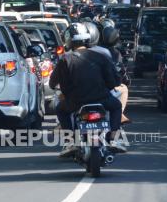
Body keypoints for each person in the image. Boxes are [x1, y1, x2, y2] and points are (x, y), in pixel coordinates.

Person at [49, 23, 126, 157]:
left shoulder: (65, 60)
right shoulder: (101, 56)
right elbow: (113, 81)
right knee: (116, 106)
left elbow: (52, 83)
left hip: (76, 102)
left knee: (60, 109)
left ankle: (71, 141)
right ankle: (114, 138)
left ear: (69, 39)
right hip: (101, 99)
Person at [102, 26, 132, 124]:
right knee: (124, 88)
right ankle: (120, 115)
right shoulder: (115, 53)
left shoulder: (93, 51)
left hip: (91, 88)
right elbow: (121, 72)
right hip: (108, 88)